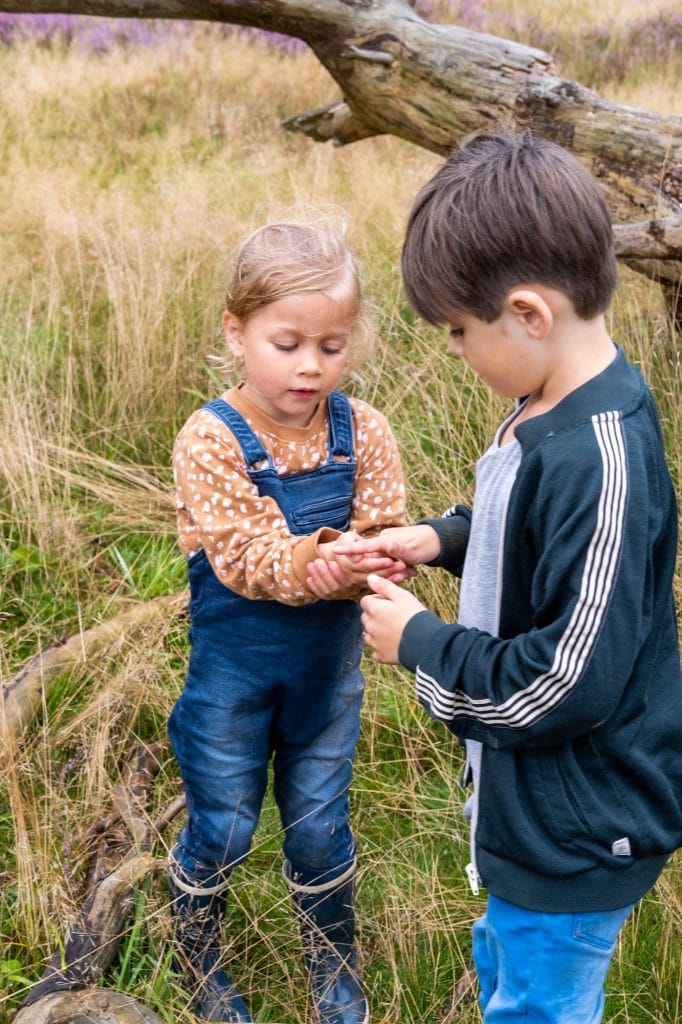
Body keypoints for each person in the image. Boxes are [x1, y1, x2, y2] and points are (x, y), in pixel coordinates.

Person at [310, 132, 682, 1023]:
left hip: (579, 830)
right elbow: (515, 526)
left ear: (529, 312)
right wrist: (435, 540)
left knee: (542, 1005)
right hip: (532, 816)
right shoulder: (543, 406)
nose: (453, 350)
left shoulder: (604, 460)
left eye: (459, 331)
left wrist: (425, 646)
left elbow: (565, 683)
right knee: (514, 969)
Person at [168, 218, 409, 1024]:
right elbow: (242, 554)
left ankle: (331, 966)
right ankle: (196, 947)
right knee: (229, 823)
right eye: (288, 342)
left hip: (325, 680)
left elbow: (382, 528)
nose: (312, 365)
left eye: (333, 346)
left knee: (317, 826)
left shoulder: (363, 431)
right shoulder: (211, 438)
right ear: (236, 333)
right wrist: (325, 561)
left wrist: (376, 558)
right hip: (231, 682)